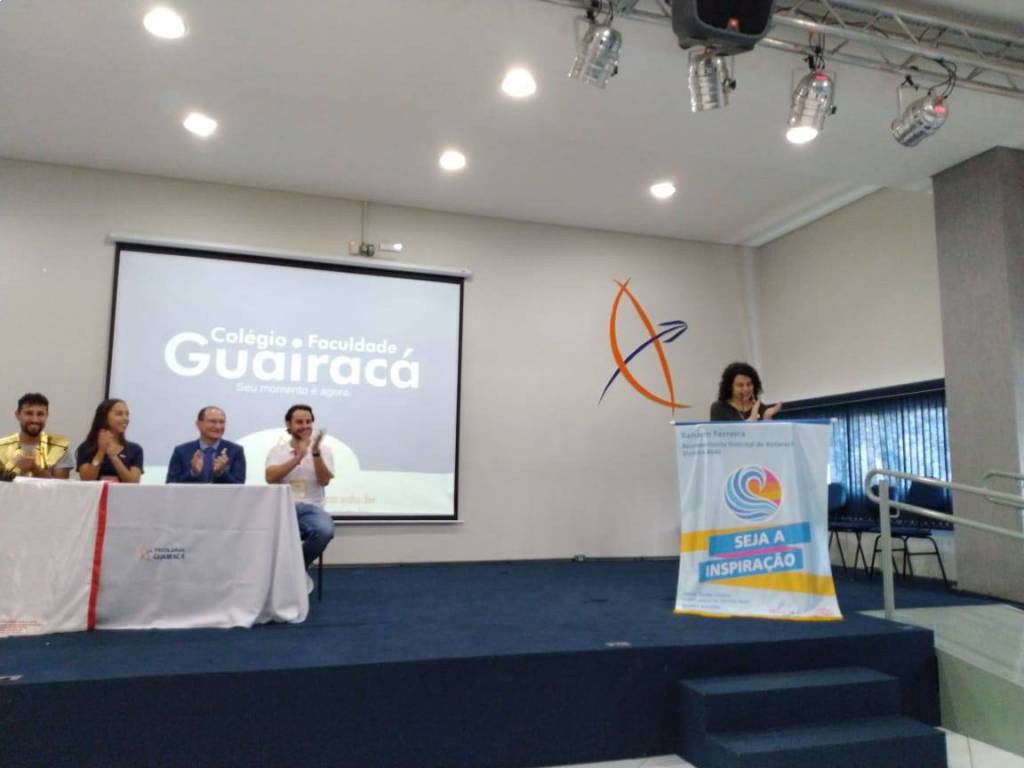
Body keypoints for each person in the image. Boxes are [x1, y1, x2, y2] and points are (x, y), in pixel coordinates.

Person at [265, 404, 336, 588]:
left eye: (308, 422)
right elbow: (271, 478)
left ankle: (294, 571)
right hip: (282, 508)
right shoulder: (278, 451)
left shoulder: (324, 450)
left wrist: (314, 453)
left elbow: (324, 481)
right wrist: (298, 458)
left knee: (324, 531)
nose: (305, 426)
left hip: (311, 509)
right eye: (299, 422)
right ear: (289, 424)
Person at [0, 393, 74, 480]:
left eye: (40, 414)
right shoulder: (1, 447)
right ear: (18, 415)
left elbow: (62, 485)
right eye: (29, 413)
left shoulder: (59, 447)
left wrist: (34, 468)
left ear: (47, 415)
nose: (35, 420)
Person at [166, 406, 246, 484]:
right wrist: (193, 473)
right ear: (198, 424)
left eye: (221, 422)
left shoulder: (235, 451)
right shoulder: (181, 451)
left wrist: (221, 473)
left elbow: (240, 488)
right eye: (212, 422)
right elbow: (170, 486)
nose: (218, 427)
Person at [76, 398, 144, 482]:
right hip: (97, 491)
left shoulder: (135, 449)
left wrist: (114, 457)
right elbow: (87, 479)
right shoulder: (86, 448)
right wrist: (101, 452)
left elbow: (133, 482)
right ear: (104, 417)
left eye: (127, 414)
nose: (126, 418)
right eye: (119, 414)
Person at [710, 362, 783, 422]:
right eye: (740, 385)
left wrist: (767, 419)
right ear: (730, 387)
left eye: (749, 384)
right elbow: (719, 434)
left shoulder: (761, 408)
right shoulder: (719, 408)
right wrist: (751, 421)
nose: (746, 389)